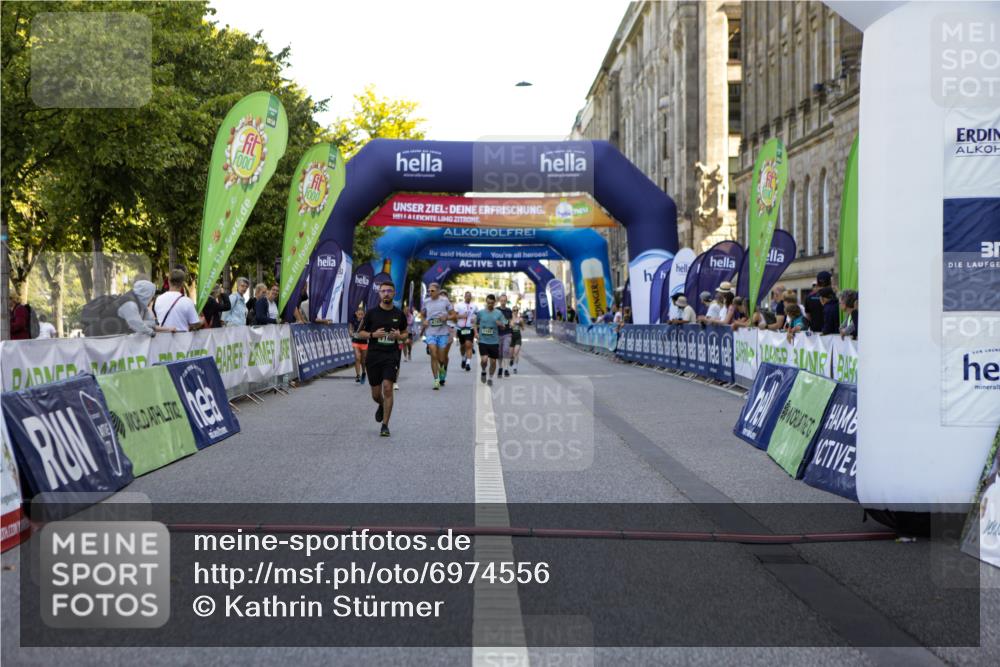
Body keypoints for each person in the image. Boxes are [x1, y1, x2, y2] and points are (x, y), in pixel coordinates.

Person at [357, 281, 407, 437]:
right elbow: (360, 333)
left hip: (391, 356)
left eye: (389, 291)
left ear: (394, 293)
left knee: (388, 388)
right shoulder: (371, 313)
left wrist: (399, 336)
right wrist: (372, 335)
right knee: (376, 394)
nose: (386, 293)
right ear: (379, 294)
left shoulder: (399, 314)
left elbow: (406, 334)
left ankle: (385, 425)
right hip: (374, 356)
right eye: (383, 291)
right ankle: (381, 404)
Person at [420, 282, 456, 390]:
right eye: (429, 291)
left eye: (432, 290)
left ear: (438, 291)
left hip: (443, 332)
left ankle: (442, 369)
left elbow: (454, 315)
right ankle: (436, 380)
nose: (430, 292)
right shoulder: (426, 302)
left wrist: (447, 318)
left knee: (441, 358)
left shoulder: (445, 301)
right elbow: (422, 314)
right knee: (433, 353)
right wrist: (423, 321)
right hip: (430, 332)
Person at [474, 294, 507, 386]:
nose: (490, 305)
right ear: (486, 302)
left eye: (492, 303)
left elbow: (504, 326)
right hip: (483, 341)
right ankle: (484, 370)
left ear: (495, 303)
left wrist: (500, 323)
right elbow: (475, 324)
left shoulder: (498, 313)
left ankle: (490, 377)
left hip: (494, 341)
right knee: (484, 360)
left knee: (493, 362)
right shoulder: (481, 313)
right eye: (488, 303)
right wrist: (476, 333)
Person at [455, 291, 477, 371]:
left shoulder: (474, 306)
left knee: (469, 345)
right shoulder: (459, 305)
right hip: (460, 329)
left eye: (469, 296)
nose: (468, 297)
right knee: (462, 346)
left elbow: (477, 315)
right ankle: (463, 358)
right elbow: (454, 316)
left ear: (471, 297)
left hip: (469, 328)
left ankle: (468, 363)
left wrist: (475, 318)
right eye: (467, 296)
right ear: (464, 297)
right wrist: (462, 316)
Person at [496, 293, 514, 378]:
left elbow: (510, 321)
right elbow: (493, 320)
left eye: (504, 300)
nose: (503, 302)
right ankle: (500, 368)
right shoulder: (496, 310)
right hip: (498, 334)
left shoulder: (509, 310)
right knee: (499, 353)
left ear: (506, 301)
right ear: (499, 301)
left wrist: (512, 324)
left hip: (507, 333)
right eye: (501, 300)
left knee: (506, 350)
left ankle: (506, 369)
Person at [349, 305, 367, 383]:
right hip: (355, 342)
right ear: (356, 314)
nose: (360, 316)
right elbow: (350, 329)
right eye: (359, 314)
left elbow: (368, 332)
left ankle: (363, 372)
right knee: (357, 357)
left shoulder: (366, 322)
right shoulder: (353, 321)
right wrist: (351, 333)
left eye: (362, 314)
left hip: (364, 343)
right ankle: (357, 375)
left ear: (364, 314)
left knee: (363, 361)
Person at [509, 305, 524, 374]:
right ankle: (511, 359)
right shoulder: (509, 319)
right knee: (511, 354)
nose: (515, 312)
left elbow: (523, 328)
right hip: (511, 338)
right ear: (512, 311)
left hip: (518, 337)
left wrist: (520, 324)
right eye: (514, 310)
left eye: (516, 310)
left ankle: (515, 367)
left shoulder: (520, 319)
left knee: (516, 352)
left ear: (518, 311)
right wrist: (511, 325)